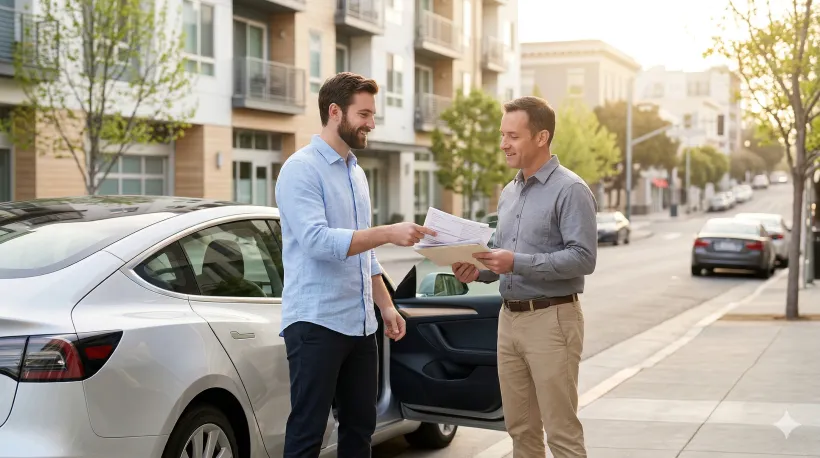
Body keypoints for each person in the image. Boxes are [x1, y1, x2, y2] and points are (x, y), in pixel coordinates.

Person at [275, 72, 436, 458]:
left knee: (360, 429)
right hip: (316, 322)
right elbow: (317, 241)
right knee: (307, 432)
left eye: (372, 114)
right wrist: (387, 232)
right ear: (335, 112)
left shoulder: (357, 173)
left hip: (361, 323)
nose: (371, 123)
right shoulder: (301, 169)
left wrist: (386, 306)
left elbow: (364, 251)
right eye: (363, 114)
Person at [452, 96, 597, 458]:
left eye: (513, 136)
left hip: (553, 320)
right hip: (509, 320)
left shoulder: (571, 189)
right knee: (521, 430)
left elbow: (583, 258)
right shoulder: (509, 192)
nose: (503, 144)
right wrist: (479, 269)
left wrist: (515, 262)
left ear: (541, 137)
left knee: (561, 431)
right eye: (503, 135)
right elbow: (502, 255)